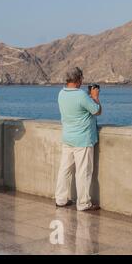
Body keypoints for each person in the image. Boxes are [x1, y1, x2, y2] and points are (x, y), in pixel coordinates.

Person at [55, 67, 102, 211]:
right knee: (83, 172)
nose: (82, 81)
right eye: (81, 78)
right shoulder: (81, 95)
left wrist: (87, 98)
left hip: (68, 138)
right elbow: (97, 110)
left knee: (65, 170)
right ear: (78, 79)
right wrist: (94, 96)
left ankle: (61, 199)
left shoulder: (61, 93)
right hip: (83, 140)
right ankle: (83, 203)